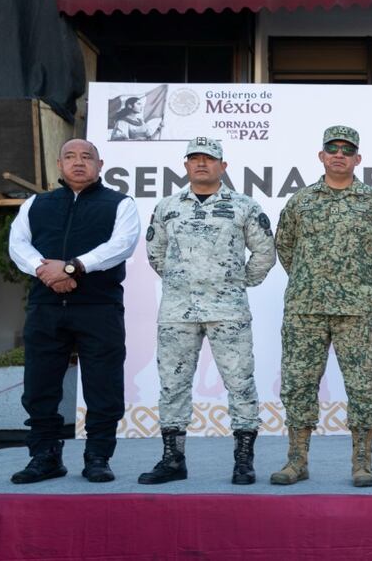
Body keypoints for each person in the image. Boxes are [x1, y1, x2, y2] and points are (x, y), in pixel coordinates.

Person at [140, 137, 277, 486]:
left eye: (209, 159)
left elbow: (264, 252)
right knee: (172, 384)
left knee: (240, 383)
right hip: (176, 311)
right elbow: (155, 253)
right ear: (185, 165)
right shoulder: (167, 206)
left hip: (228, 311)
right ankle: (173, 460)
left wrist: (237, 281)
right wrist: (181, 280)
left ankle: (243, 461)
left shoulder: (243, 205)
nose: (201, 164)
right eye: (194, 158)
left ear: (223, 166)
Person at [271, 125, 372, 487]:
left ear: (358, 158)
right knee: (298, 384)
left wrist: (358, 283)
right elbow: (286, 247)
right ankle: (296, 461)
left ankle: (362, 463)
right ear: (322, 156)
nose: (339, 154)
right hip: (305, 309)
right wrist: (312, 280)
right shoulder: (301, 201)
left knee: (362, 386)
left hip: (356, 311)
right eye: (333, 149)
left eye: (347, 150)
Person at [7, 139, 141, 483]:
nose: (78, 162)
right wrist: (45, 270)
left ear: (100, 164)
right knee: (40, 384)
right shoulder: (37, 204)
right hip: (46, 306)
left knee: (103, 383)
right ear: (59, 164)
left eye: (86, 157)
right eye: (70, 156)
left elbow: (120, 246)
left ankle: (98, 455)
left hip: (99, 307)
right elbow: (18, 244)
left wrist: (72, 268)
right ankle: (44, 455)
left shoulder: (120, 204)